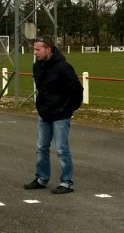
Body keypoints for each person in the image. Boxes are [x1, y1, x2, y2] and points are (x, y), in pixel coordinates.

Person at [24, 36, 83, 194]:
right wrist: (41, 108)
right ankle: (41, 178)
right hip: (44, 114)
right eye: (34, 49)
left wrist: (67, 109)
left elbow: (77, 90)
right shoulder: (37, 67)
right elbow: (41, 90)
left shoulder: (64, 67)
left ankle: (66, 182)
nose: (34, 52)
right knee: (41, 148)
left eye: (38, 49)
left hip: (61, 115)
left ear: (48, 49)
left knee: (62, 149)